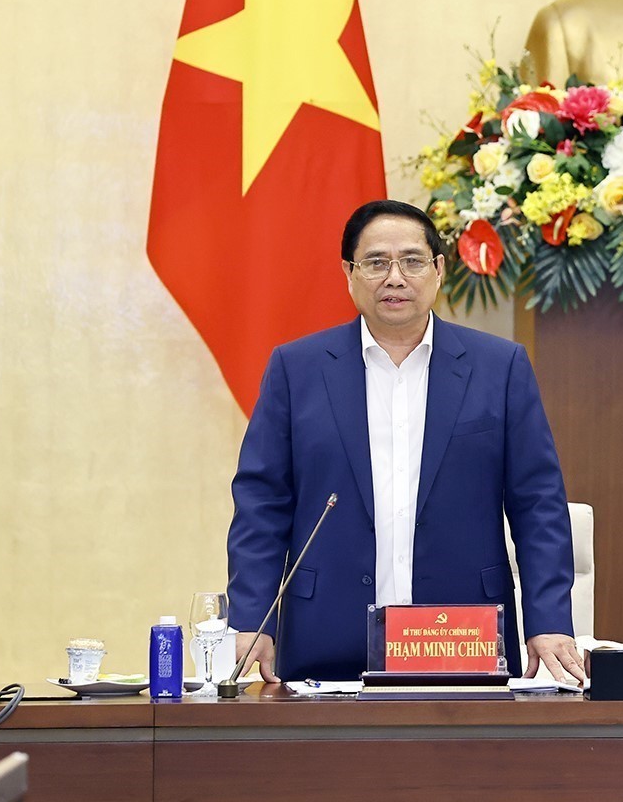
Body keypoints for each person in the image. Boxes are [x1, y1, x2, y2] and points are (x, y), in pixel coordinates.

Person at [226, 199, 584, 685]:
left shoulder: (499, 367)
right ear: (349, 273)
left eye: (412, 261)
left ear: (439, 270)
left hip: (462, 635)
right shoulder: (297, 369)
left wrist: (548, 620)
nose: (394, 278)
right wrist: (253, 618)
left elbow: (538, 503)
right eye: (376, 262)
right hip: (325, 634)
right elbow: (261, 504)